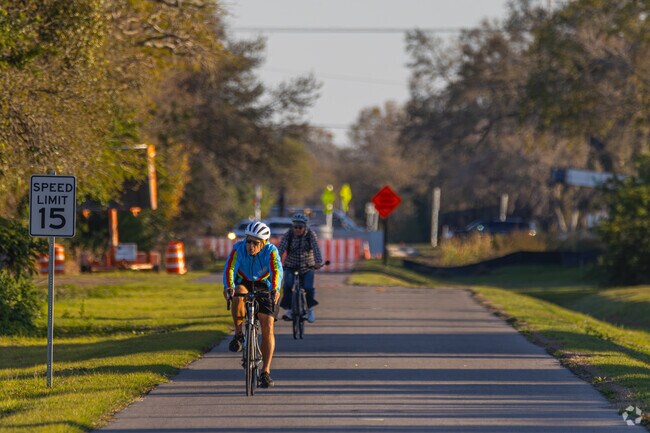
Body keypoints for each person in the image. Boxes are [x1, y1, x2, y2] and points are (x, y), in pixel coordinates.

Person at [222, 221, 282, 388]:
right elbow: (230, 268)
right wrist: (229, 287)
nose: (250, 246)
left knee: (267, 325)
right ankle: (239, 334)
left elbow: (277, 270)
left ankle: (265, 372)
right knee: (238, 294)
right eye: (248, 241)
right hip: (243, 281)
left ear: (263, 243)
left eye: (255, 243)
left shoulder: (271, 251)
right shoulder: (238, 248)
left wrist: (276, 289)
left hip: (264, 285)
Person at [277, 213, 324, 323]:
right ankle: (289, 310)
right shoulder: (288, 235)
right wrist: (276, 261)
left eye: (300, 227)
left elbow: (316, 249)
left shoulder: (310, 235)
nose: (297, 229)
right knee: (287, 285)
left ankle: (310, 310)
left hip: (307, 266)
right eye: (295, 227)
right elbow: (280, 249)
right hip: (291, 265)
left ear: (305, 227)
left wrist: (318, 262)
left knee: (308, 288)